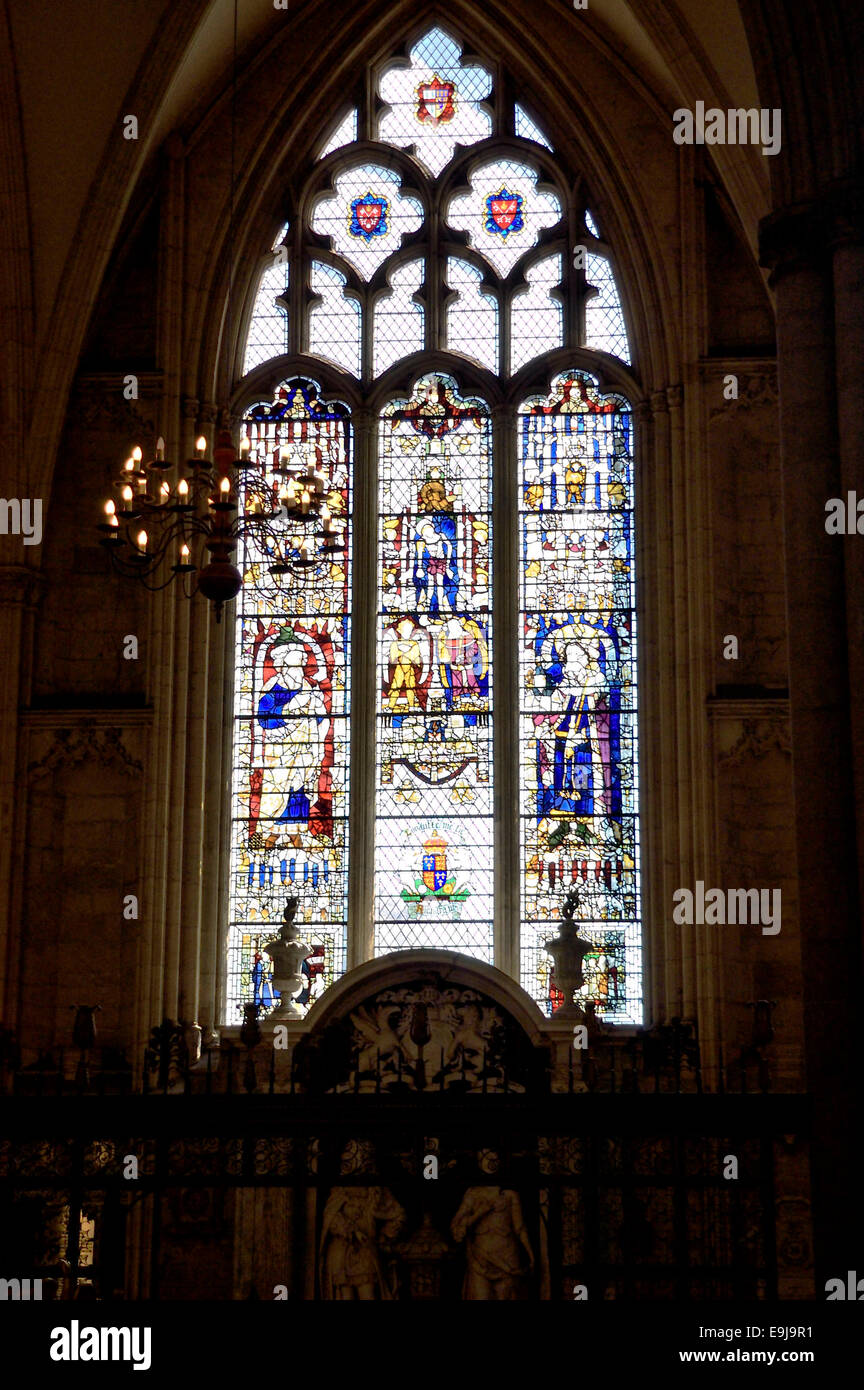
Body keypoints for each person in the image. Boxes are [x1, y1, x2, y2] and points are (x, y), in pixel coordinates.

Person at [450, 1150, 534, 1299]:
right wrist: (480, 1212)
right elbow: (457, 1228)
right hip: (480, 1258)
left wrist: (530, 1254)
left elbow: (520, 1228)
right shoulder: (473, 1194)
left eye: (495, 1157)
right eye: (487, 1157)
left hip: (508, 1258)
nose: (492, 1161)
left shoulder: (510, 1195)